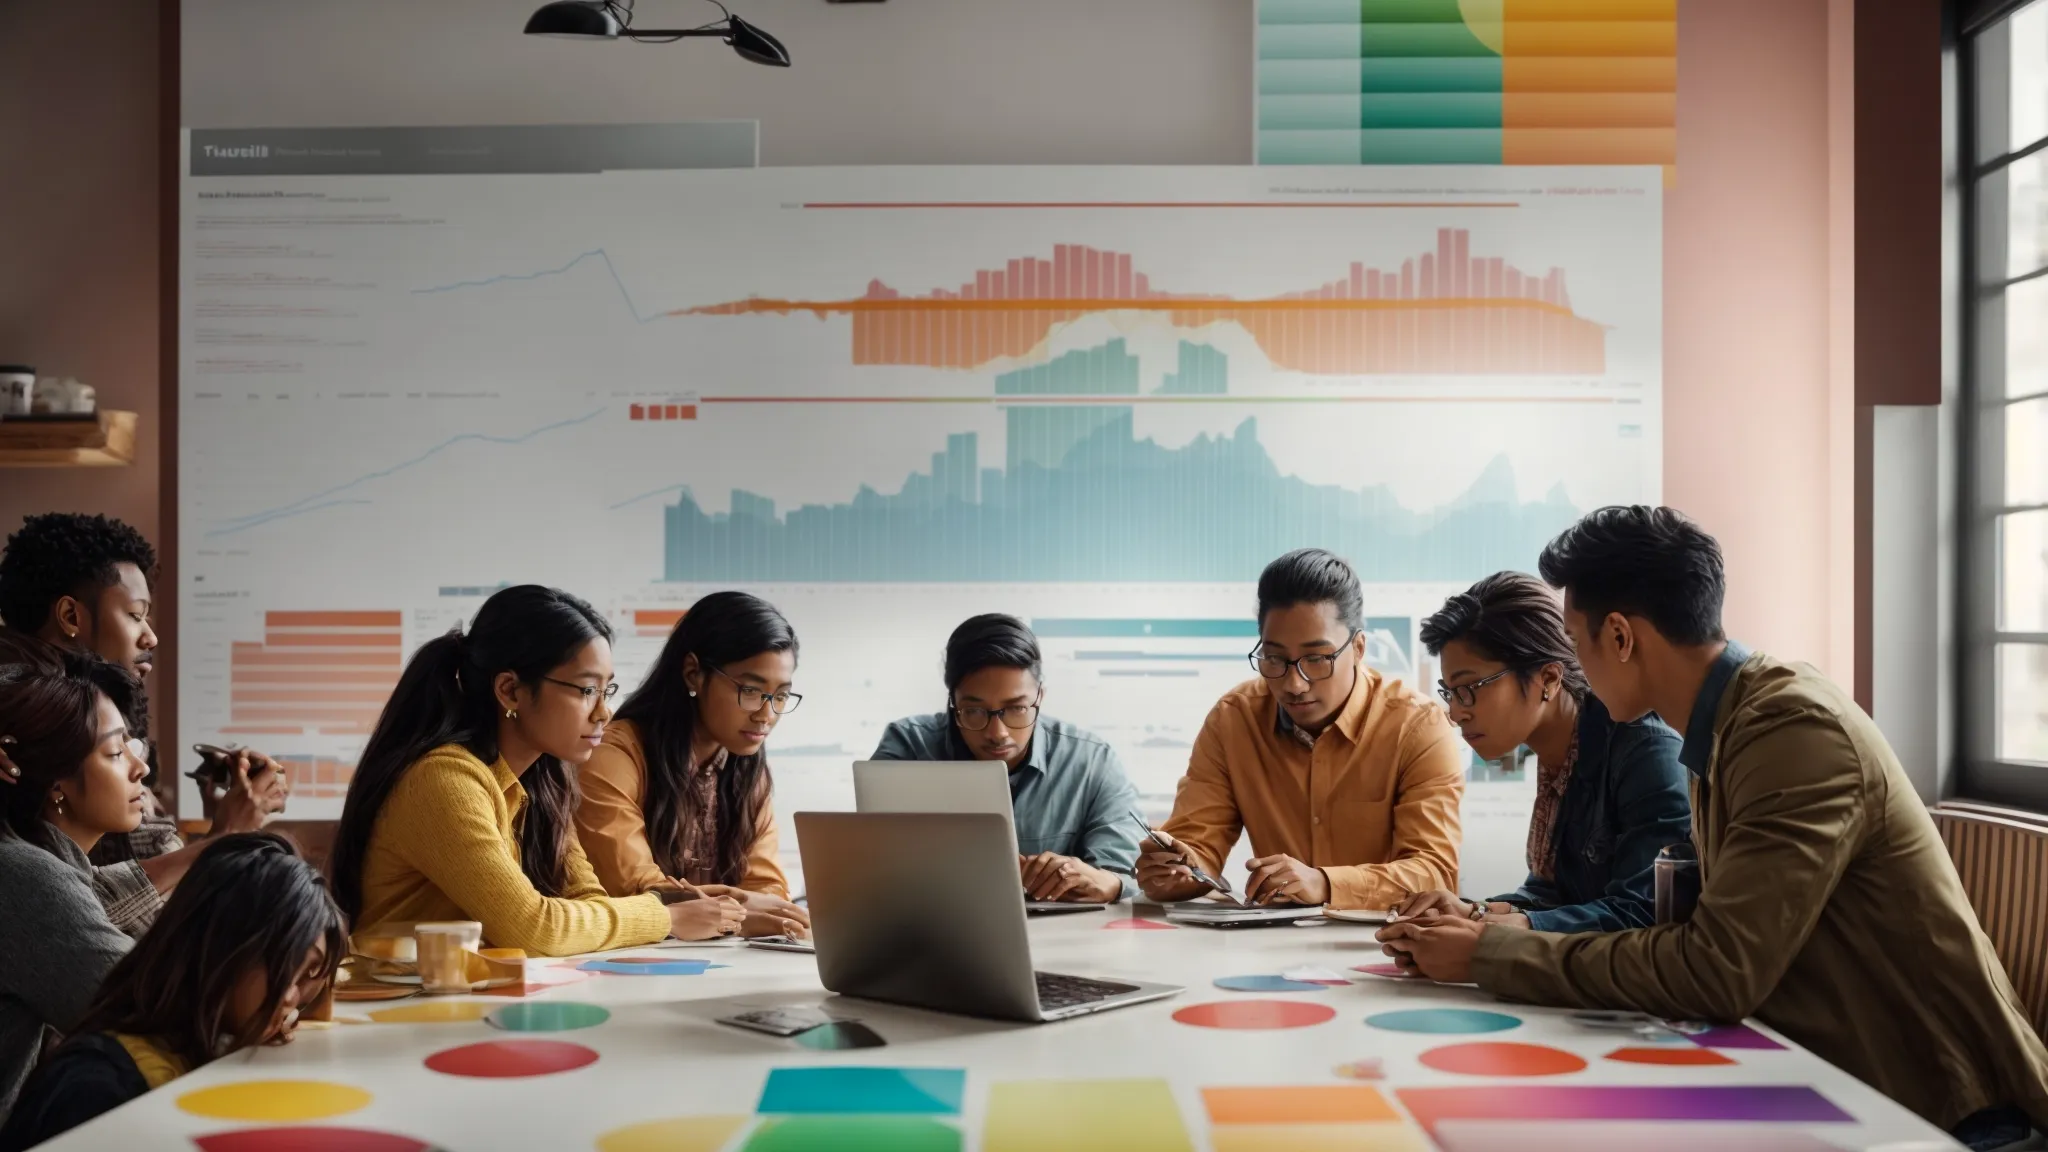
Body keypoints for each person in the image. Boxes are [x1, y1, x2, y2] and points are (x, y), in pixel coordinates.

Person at [1377, 507, 2048, 1149]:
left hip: (1941, 1112)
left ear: (1619, 637)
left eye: (1576, 642)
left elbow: (1719, 968)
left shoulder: (1789, 729)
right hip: (1831, 1077)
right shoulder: (1725, 725)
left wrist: (1486, 953)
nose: (1574, 669)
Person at [330, 585, 744, 957]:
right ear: (510, 689)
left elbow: (587, 898)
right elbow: (533, 928)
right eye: (586, 690)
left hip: (467, 999)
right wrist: (665, 917)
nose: (605, 712)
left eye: (606, 690)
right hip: (393, 1012)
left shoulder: (544, 781)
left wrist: (662, 909)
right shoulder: (443, 781)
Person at [1137, 548, 1465, 909]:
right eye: (1275, 658)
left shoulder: (1418, 726)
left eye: (1317, 658)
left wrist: (1325, 883)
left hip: (1383, 946)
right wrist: (1172, 871)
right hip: (1272, 943)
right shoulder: (1234, 719)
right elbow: (1196, 848)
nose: (1294, 684)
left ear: (1358, 648)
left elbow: (1434, 872)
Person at [0, 832, 345, 1151]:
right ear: (223, 943)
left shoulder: (191, 1052)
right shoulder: (100, 1089)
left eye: (305, 982)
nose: (291, 1000)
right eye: (290, 967)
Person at [1393, 571, 1691, 932]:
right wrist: (1472, 912)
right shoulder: (1560, 753)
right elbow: (1552, 893)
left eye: (1469, 688)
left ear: (1548, 679)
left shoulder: (1646, 753)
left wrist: (1488, 934)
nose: (1456, 713)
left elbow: (1644, 914)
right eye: (1450, 693)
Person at [0, 513, 285, 875]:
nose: (150, 637)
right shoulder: (24, 727)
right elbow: (80, 903)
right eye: (136, 615)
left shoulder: (96, 704)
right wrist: (225, 836)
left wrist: (218, 826)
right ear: (71, 615)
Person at [576, 591, 809, 939]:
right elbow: (640, 891)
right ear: (693, 674)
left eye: (779, 696)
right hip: (625, 963)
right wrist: (743, 910)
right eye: (750, 690)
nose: (766, 714)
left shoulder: (748, 769)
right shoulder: (613, 756)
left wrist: (748, 909)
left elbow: (769, 892)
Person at [871, 613, 1141, 903]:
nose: (997, 733)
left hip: (1059, 936)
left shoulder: (1093, 761)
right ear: (953, 703)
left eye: (1017, 709)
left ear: (1040, 696)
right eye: (974, 711)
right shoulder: (908, 746)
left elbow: (1122, 873)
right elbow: (867, 857)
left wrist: (1105, 882)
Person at [0, 653, 145, 1120]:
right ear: (57, 781)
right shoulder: (24, 878)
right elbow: (152, 1009)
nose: (139, 768)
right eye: (116, 752)